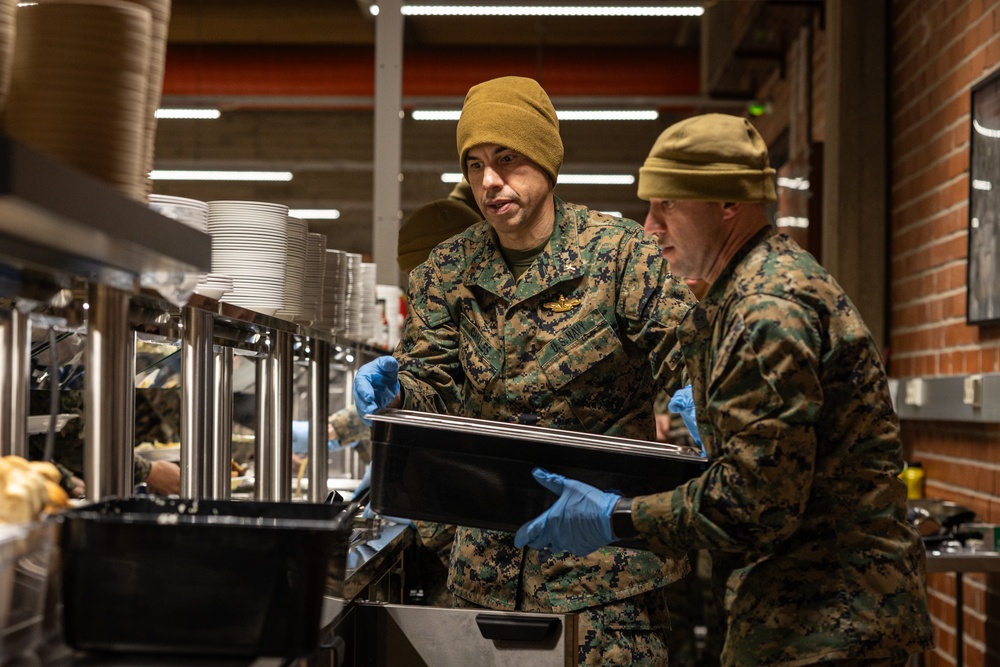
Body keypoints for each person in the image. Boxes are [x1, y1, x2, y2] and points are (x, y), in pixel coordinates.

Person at [514, 113, 935, 666]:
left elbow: (755, 502)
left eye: (667, 205)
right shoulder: (745, 289)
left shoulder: (766, 309)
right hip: (806, 618)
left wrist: (616, 516)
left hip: (831, 627)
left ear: (728, 205)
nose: (649, 226)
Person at [353, 75, 697, 665]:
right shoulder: (447, 271)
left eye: (507, 159)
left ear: (544, 160)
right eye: (475, 165)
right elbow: (431, 403)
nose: (490, 182)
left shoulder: (617, 255)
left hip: (606, 582)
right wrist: (398, 404)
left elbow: (689, 358)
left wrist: (702, 397)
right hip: (485, 577)